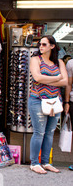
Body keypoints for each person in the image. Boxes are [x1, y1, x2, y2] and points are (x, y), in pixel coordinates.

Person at [28, 35, 68, 174]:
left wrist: (48, 80)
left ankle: (45, 162)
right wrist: (56, 78)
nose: (41, 46)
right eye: (40, 44)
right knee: (39, 132)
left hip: (55, 100)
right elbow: (37, 77)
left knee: (50, 133)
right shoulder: (35, 59)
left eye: (44, 44)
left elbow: (65, 82)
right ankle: (34, 163)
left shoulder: (59, 62)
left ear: (52, 46)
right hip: (37, 99)